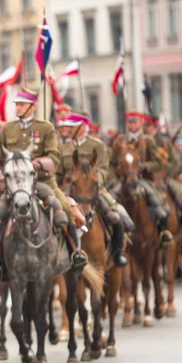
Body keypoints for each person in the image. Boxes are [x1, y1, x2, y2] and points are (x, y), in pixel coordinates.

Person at [0, 87, 88, 272]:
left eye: (21, 105)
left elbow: (54, 156)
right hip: (15, 185)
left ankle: (75, 252)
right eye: (17, 105)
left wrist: (38, 163)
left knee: (65, 212)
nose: (17, 108)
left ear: (33, 106)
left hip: (43, 182)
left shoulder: (46, 128)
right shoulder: (8, 128)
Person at [55, 109, 128, 267]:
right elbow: (58, 173)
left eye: (72, 126)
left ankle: (118, 252)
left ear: (83, 126)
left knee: (116, 215)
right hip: (69, 190)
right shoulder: (63, 148)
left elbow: (103, 169)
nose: (69, 129)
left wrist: (94, 182)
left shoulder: (97, 145)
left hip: (93, 189)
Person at [110, 111, 173, 247]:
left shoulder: (147, 141)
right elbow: (112, 162)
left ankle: (163, 232)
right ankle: (111, 236)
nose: (132, 125)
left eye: (135, 122)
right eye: (130, 122)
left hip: (143, 180)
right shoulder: (120, 141)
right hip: (124, 181)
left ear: (141, 123)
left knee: (158, 203)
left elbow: (158, 162)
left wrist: (144, 166)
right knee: (110, 200)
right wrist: (119, 171)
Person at [143, 115, 182, 236]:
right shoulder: (141, 141)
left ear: (154, 126)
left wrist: (165, 170)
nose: (144, 128)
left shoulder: (164, 142)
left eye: (147, 125)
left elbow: (175, 161)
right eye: (144, 125)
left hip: (163, 179)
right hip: (145, 179)